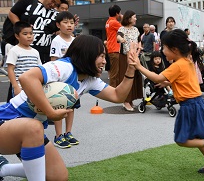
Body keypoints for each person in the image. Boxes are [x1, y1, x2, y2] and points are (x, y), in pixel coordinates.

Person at [0, 35, 137, 180]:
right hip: (8, 119)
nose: (104, 61)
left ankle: (3, 169)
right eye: (101, 56)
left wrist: (131, 68)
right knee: (34, 127)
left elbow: (117, 96)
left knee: (58, 176)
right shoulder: (64, 66)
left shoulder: (90, 80)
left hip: (32, 130)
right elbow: (27, 78)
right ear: (87, 54)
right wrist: (50, 112)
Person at [130, 29, 204, 175]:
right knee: (197, 135)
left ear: (174, 49)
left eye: (164, 48)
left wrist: (138, 66)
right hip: (199, 103)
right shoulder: (187, 62)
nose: (162, 51)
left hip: (189, 106)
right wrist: (168, 83)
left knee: (181, 140)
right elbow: (183, 81)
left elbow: (156, 78)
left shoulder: (177, 65)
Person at [50, 11, 78, 149]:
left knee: (71, 107)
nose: (69, 25)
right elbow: (53, 61)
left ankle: (68, 133)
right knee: (59, 106)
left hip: (73, 78)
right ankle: (58, 135)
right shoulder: (56, 41)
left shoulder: (75, 41)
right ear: (58, 25)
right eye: (65, 22)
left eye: (71, 23)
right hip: (60, 80)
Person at [6, 21, 42, 97]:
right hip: (20, 88)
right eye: (25, 34)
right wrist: (15, 86)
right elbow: (10, 69)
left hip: (34, 87)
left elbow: (39, 69)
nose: (29, 36)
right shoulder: (14, 50)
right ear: (17, 36)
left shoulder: (35, 52)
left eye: (31, 33)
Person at [117, 10, 143, 111]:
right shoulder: (122, 29)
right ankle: (126, 101)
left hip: (135, 56)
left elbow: (139, 40)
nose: (136, 19)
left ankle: (131, 100)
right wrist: (121, 39)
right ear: (128, 18)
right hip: (125, 56)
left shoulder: (136, 29)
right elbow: (118, 36)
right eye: (134, 17)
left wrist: (139, 48)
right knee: (126, 77)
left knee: (135, 78)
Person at [105, 5, 123, 88]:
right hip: (115, 49)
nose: (121, 15)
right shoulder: (114, 22)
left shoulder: (108, 22)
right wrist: (123, 19)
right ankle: (113, 89)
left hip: (111, 48)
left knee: (113, 71)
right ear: (117, 13)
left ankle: (114, 88)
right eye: (120, 13)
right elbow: (124, 30)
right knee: (115, 72)